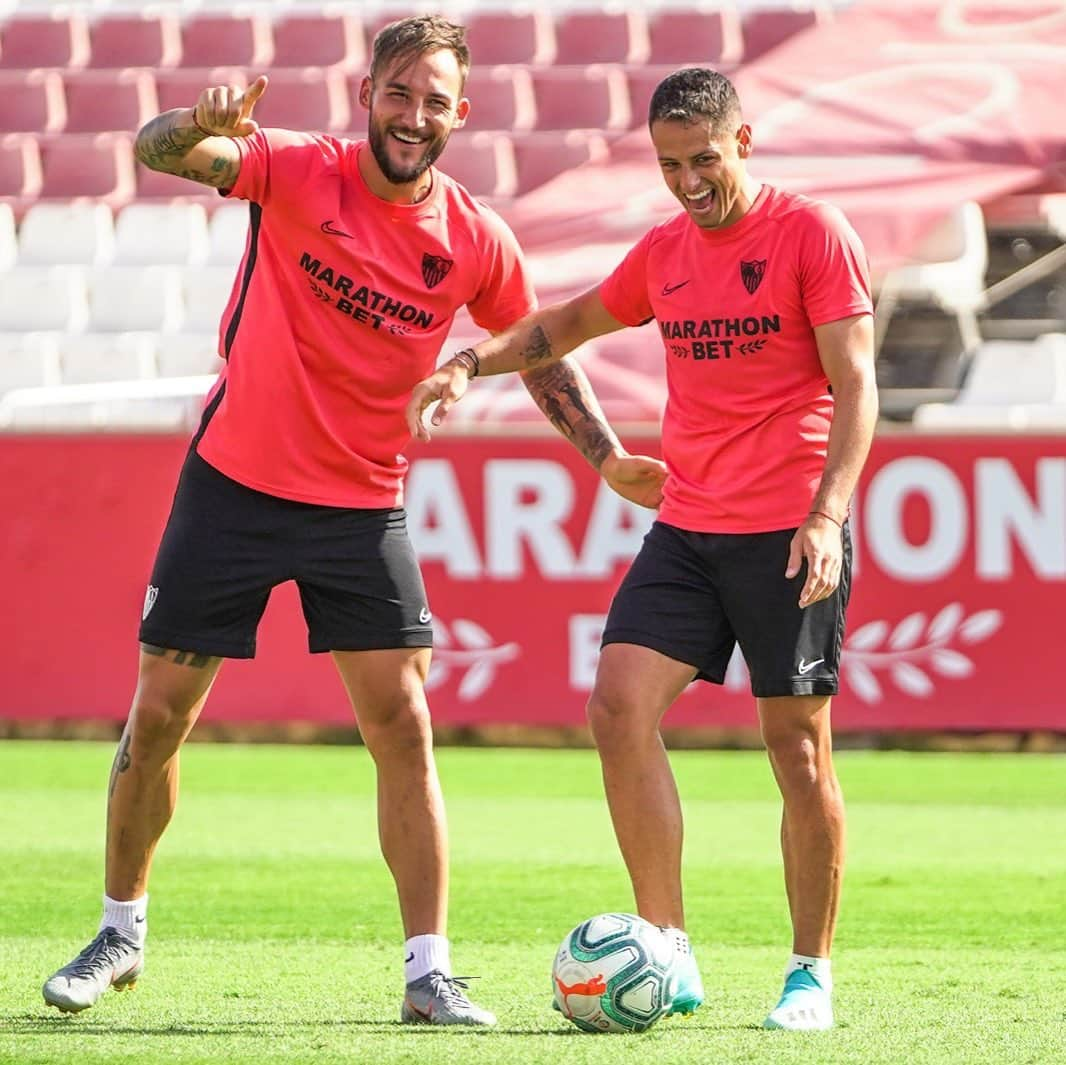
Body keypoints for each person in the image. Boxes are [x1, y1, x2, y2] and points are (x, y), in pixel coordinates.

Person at [41, 16, 665, 1026]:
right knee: (157, 718)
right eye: (399, 92)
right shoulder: (292, 168)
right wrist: (189, 123)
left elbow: (539, 349)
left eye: (434, 100)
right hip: (232, 484)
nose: (413, 115)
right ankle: (120, 933)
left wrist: (607, 459)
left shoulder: (474, 240)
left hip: (360, 502)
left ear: (460, 114)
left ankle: (429, 973)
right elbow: (163, 153)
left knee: (404, 729)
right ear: (366, 91)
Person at [407, 66, 878, 1031]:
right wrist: (464, 360)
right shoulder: (664, 252)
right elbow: (560, 325)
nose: (689, 182)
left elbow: (858, 388)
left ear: (743, 142)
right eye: (670, 165)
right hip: (689, 528)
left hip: (789, 532)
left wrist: (828, 514)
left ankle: (809, 974)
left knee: (796, 750)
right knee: (618, 705)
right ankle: (667, 947)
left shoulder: (812, 235)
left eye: (704, 159)